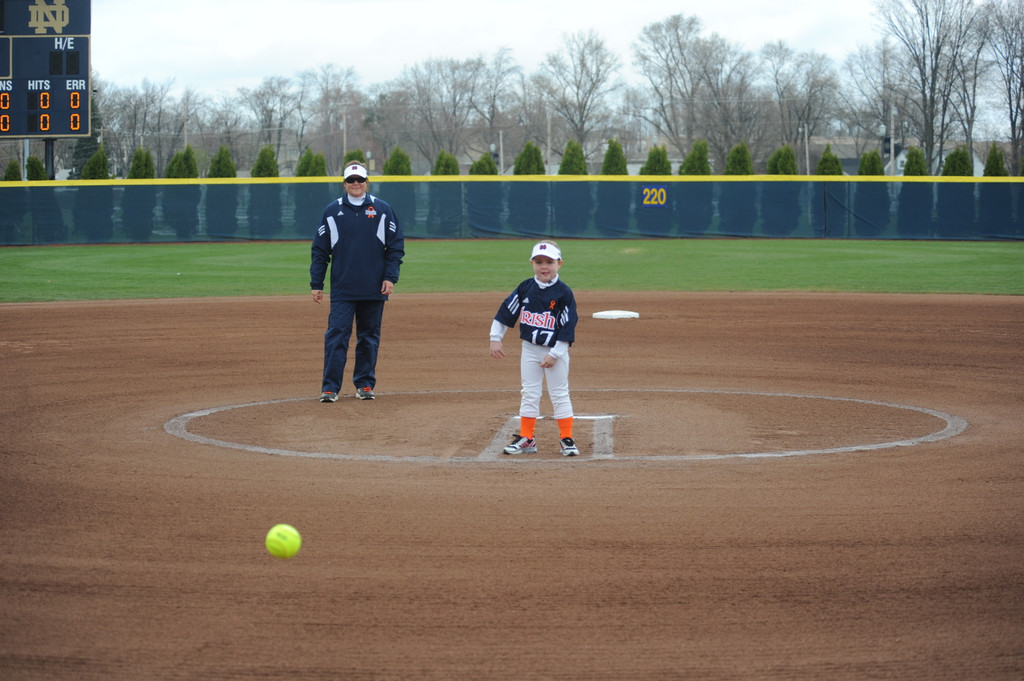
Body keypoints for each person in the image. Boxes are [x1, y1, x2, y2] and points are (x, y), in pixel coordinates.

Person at [310, 162, 405, 402]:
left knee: (369, 337)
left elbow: (395, 247)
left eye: (360, 180)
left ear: (366, 182)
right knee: (337, 335)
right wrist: (316, 283)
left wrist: (390, 277)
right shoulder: (332, 211)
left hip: (374, 287)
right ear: (344, 183)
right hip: (343, 288)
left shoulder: (382, 210)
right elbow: (320, 251)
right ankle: (330, 388)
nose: (355, 184)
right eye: (351, 180)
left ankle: (364, 384)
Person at [489, 240, 580, 456]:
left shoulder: (563, 293)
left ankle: (566, 438)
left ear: (560, 263)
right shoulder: (525, 287)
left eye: (549, 261)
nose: (544, 266)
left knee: (559, 393)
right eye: (538, 262)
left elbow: (568, 326)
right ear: (532, 263)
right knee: (529, 392)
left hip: (556, 350)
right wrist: (496, 337)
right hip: (530, 348)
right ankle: (527, 438)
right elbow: (505, 312)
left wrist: (555, 353)